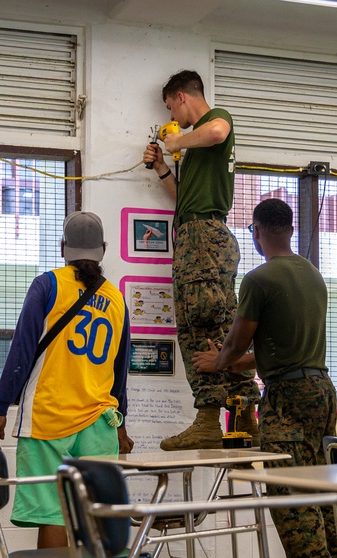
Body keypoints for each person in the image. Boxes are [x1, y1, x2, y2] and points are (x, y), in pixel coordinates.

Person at [204, 198, 337, 558]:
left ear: (255, 231)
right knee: (321, 487)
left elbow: (238, 343)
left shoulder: (258, 280)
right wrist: (236, 359)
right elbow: (275, 350)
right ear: (290, 229)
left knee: (288, 491)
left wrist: (215, 362)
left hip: (287, 397)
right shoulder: (313, 275)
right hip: (321, 390)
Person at [0, 211, 134, 558]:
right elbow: (119, 371)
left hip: (49, 417)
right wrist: (122, 424)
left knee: (52, 515)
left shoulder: (48, 284)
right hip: (101, 421)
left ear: (63, 249)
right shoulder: (117, 297)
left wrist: (1, 407)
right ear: (103, 251)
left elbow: (22, 349)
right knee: (106, 515)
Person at [142, 69, 259, 451]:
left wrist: (178, 139)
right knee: (203, 323)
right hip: (195, 233)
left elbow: (218, 131)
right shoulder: (195, 151)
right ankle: (223, 417)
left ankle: (228, 415)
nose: (170, 117)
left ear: (180, 97)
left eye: (170, 107)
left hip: (204, 237)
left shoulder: (213, 121)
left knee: (209, 321)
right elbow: (184, 198)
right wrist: (162, 166)